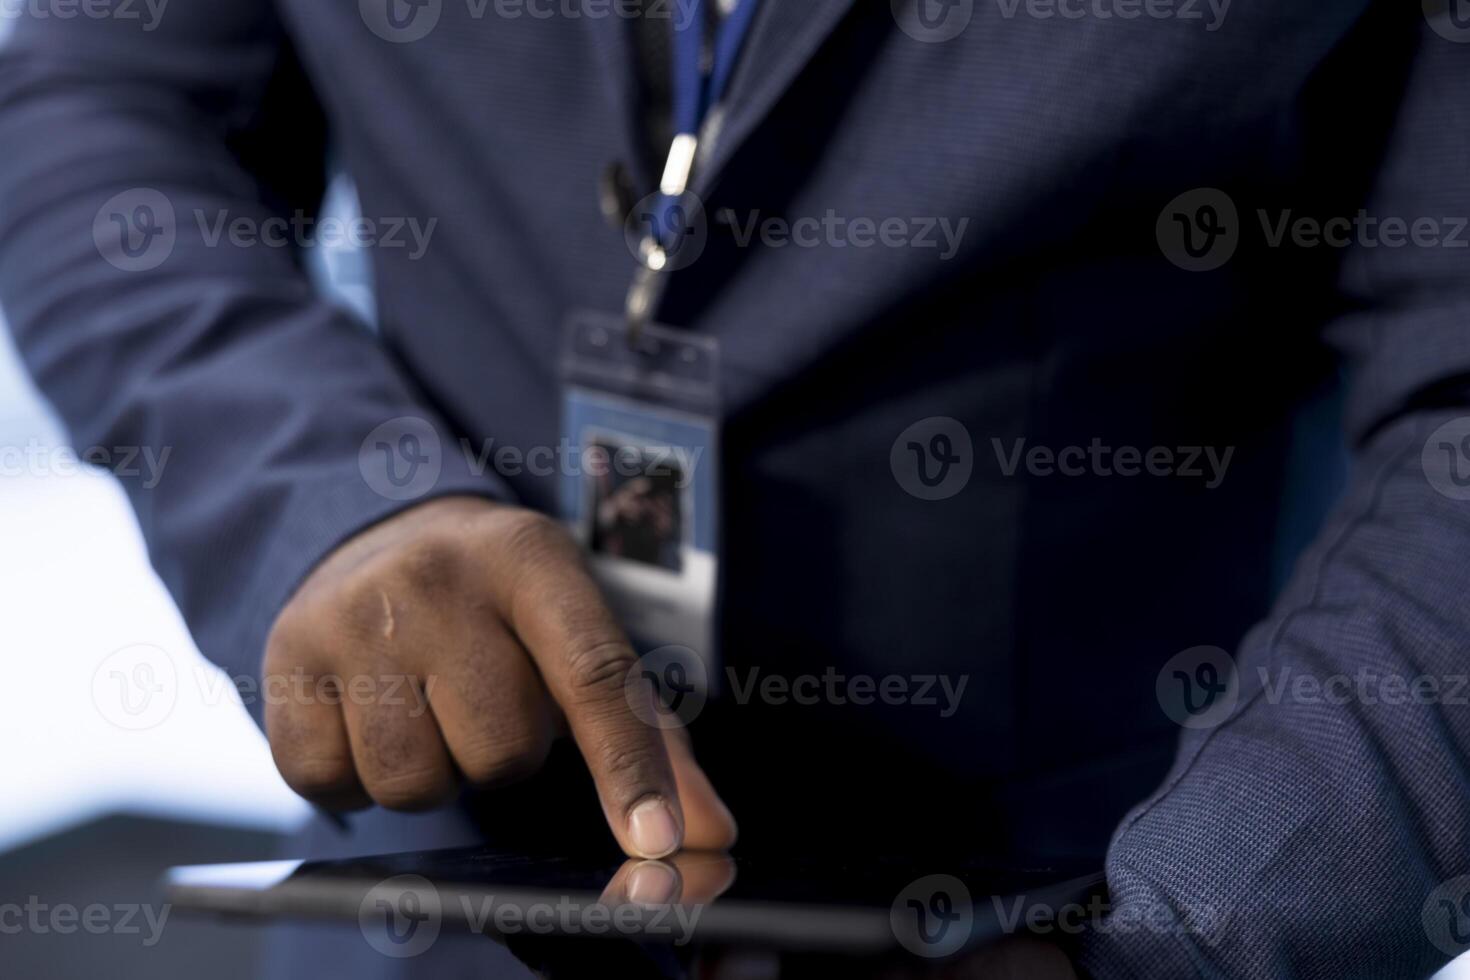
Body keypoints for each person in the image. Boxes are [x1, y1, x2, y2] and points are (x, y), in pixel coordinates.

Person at [2, 0, 1468, 976]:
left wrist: (1185, 934)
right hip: (437, 909)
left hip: (1071, 901)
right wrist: (334, 503)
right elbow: (104, 100)